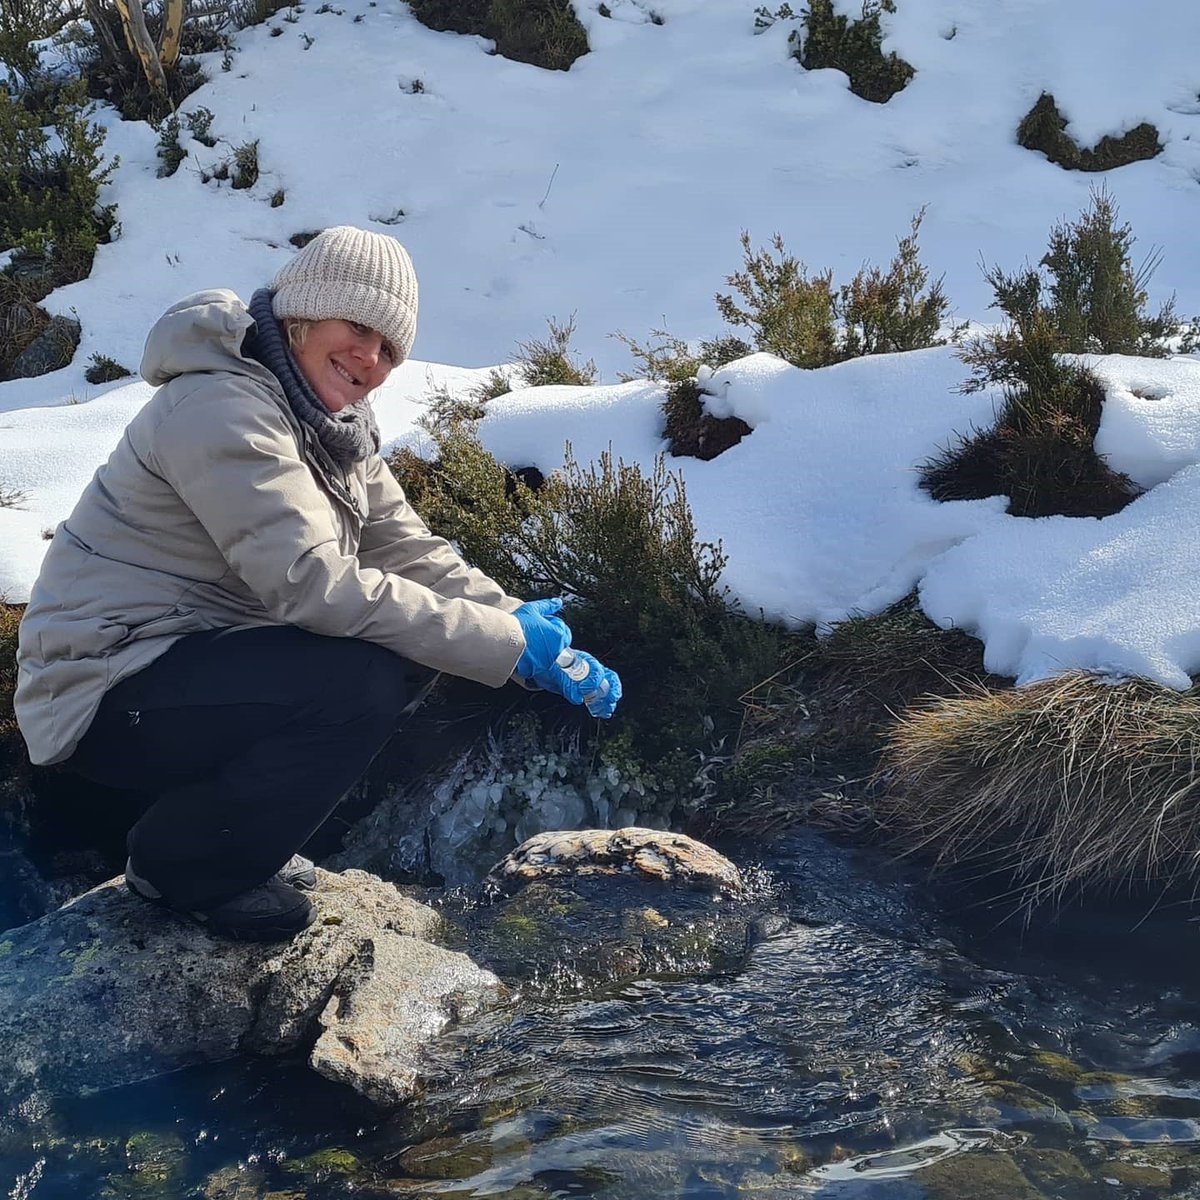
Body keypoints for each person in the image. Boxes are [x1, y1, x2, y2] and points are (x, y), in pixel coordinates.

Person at [14, 225, 621, 942]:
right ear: (303, 313)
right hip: (101, 688)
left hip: (178, 666)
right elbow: (310, 583)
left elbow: (404, 546)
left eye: (390, 348)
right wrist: (504, 645)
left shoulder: (329, 424)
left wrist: (518, 621)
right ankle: (183, 866)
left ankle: (199, 836)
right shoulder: (222, 408)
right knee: (358, 678)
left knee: (396, 655)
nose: (370, 358)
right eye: (358, 327)